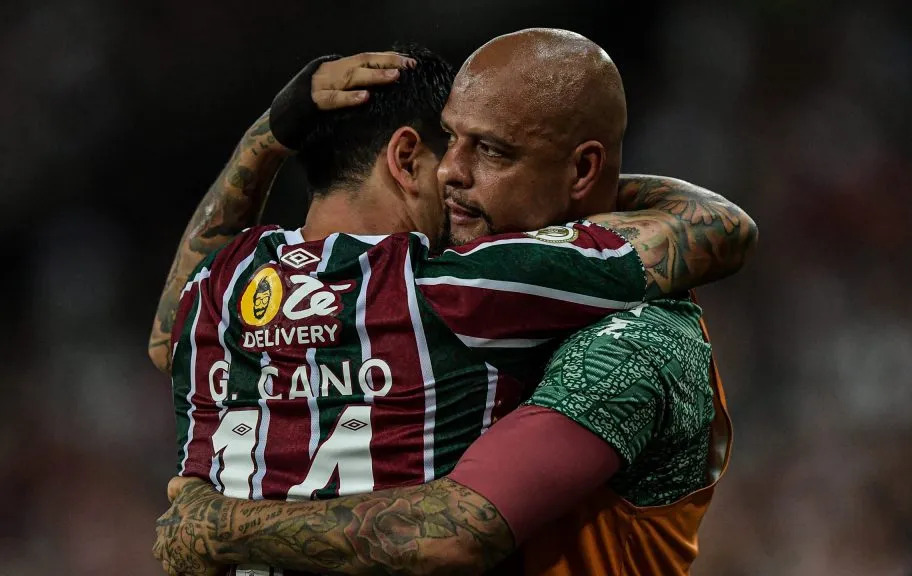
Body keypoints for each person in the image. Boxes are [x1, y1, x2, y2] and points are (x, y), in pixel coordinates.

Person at [152, 31, 755, 576]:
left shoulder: (217, 285)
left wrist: (268, 137)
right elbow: (718, 227)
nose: (452, 174)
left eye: (491, 150)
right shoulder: (460, 287)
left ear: (580, 168)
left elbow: (166, 341)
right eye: (452, 143)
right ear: (405, 158)